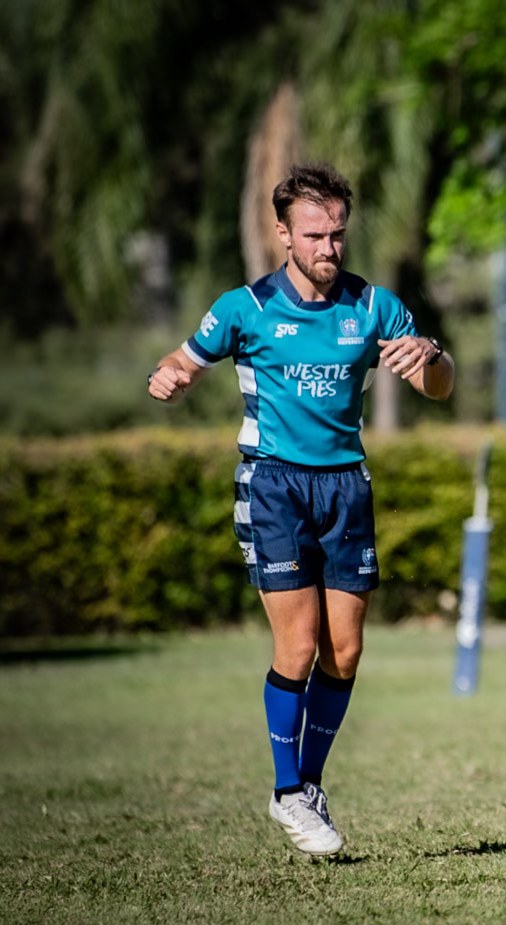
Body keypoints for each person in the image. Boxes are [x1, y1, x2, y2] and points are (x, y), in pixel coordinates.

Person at [147, 162, 455, 856]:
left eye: (338, 234)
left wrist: (430, 356)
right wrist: (167, 375)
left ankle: (305, 787)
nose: (329, 248)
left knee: (344, 652)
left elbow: (440, 385)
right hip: (274, 486)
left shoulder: (373, 305)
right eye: (314, 234)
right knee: (299, 643)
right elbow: (183, 359)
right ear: (283, 234)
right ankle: (288, 791)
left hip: (347, 486)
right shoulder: (244, 309)